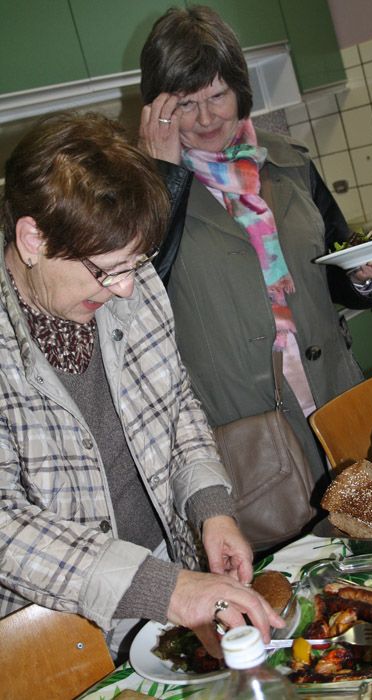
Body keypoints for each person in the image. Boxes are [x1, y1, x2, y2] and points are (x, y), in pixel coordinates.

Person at [0, 111, 284, 661]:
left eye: (138, 263)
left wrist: (211, 507)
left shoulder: (130, 273)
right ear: (33, 238)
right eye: (109, 270)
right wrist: (164, 589)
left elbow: (175, 402)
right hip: (57, 629)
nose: (129, 288)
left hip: (170, 573)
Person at [138, 5, 372, 539]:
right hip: (246, 435)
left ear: (240, 90)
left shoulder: (288, 163)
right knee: (293, 578)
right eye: (186, 103)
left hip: (335, 399)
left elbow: (336, 266)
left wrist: (366, 274)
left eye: (217, 95)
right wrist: (162, 177)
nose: (206, 118)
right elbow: (137, 293)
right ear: (159, 110)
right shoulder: (140, 194)